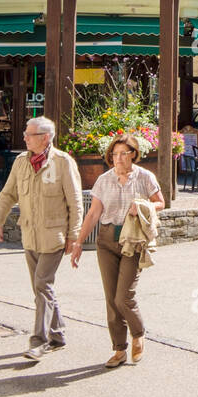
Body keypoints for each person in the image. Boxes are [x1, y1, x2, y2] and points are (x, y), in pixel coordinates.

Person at [0, 116, 83, 362]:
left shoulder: (63, 162)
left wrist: (74, 235)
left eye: (29, 134)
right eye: (25, 133)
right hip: (30, 235)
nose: (24, 137)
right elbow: (8, 193)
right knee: (41, 288)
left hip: (55, 236)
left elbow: (75, 202)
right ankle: (58, 333)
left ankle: (38, 341)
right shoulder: (21, 162)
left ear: (45, 137)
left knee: (42, 284)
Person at [71, 133, 165, 367]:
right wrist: (79, 242)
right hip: (106, 241)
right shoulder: (104, 180)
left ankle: (138, 332)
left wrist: (143, 205)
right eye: (114, 154)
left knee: (124, 297)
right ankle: (119, 349)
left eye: (123, 153)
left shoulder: (145, 177)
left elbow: (161, 202)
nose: (118, 158)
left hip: (132, 241)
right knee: (111, 300)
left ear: (134, 154)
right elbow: (93, 213)